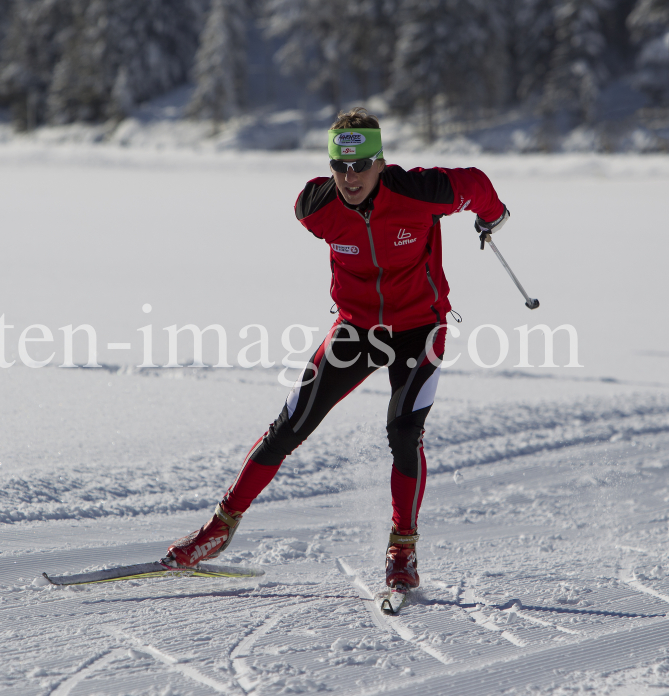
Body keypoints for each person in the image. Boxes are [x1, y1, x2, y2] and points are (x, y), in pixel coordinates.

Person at [167, 107, 509, 590]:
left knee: (403, 433)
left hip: (419, 329)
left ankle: (403, 549)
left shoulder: (421, 192)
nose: (351, 178)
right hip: (357, 330)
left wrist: (493, 217)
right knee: (289, 425)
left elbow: (475, 184)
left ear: (381, 162)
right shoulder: (314, 207)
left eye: (362, 166)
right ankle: (219, 529)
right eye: (340, 167)